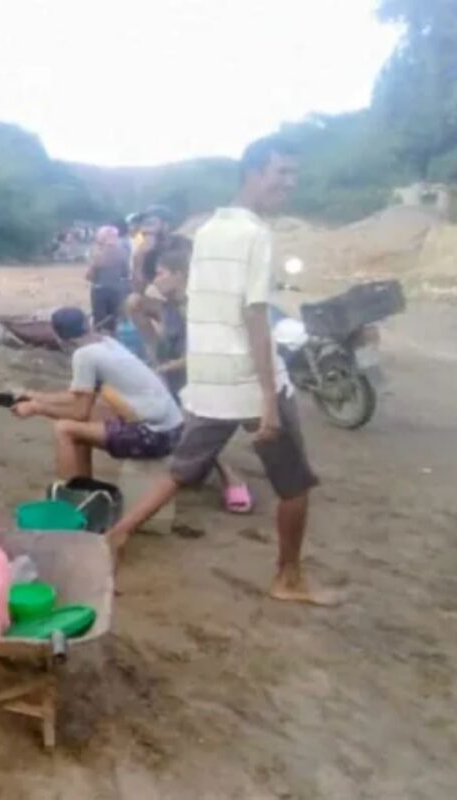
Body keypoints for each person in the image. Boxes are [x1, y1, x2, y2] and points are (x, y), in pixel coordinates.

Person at [104, 136, 337, 606]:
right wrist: (269, 399)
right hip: (249, 378)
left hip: (211, 376)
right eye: (281, 173)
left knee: (184, 468)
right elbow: (254, 315)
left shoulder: (209, 230)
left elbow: (204, 303)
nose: (289, 183)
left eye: (294, 174)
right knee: (293, 484)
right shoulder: (256, 235)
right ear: (252, 172)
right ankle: (288, 578)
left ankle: (118, 533)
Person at [128, 237, 253, 514]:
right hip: (177, 370)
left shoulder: (202, 307)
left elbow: (204, 353)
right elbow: (136, 296)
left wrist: (163, 368)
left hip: (204, 373)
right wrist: (155, 355)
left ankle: (231, 478)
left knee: (197, 426)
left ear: (179, 275)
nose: (155, 280)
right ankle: (197, 468)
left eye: (160, 274)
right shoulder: (169, 303)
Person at [11, 308, 184, 483]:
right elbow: (77, 396)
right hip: (173, 428)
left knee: (64, 429)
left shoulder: (84, 355)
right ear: (88, 324)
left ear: (58, 337)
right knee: (84, 422)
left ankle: (68, 497)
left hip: (155, 436)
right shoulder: (106, 342)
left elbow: (79, 412)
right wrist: (34, 396)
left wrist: (37, 408)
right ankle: (84, 486)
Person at [86, 225, 131, 333]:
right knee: (116, 321)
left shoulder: (96, 252)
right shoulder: (123, 251)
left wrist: (95, 264)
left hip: (100, 289)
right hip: (118, 289)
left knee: (100, 322)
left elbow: (90, 276)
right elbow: (126, 273)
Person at [129, 205, 172, 295]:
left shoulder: (179, 244)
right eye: (146, 223)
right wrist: (140, 254)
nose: (146, 228)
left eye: (152, 223)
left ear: (165, 225)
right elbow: (137, 285)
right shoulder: (139, 243)